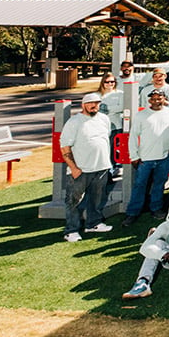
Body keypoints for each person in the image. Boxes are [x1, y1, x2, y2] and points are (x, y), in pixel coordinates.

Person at [58, 92, 114, 241]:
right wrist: (74, 168)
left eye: (97, 103)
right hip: (81, 169)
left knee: (97, 198)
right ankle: (71, 230)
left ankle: (93, 224)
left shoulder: (104, 119)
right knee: (73, 201)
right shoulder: (74, 121)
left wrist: (106, 166)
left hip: (101, 167)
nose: (94, 105)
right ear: (83, 105)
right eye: (90, 103)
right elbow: (65, 147)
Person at [126, 89, 169, 226]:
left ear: (164, 99)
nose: (156, 101)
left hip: (164, 157)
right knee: (139, 185)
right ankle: (133, 213)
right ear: (149, 100)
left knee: (159, 184)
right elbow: (133, 136)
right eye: (154, 98)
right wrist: (134, 156)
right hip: (145, 158)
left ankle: (156, 208)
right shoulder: (141, 115)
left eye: (159, 98)